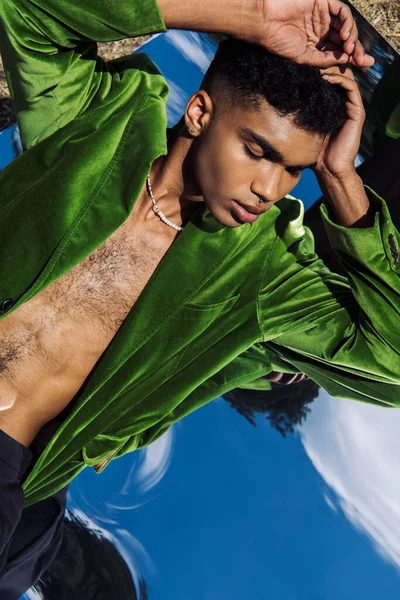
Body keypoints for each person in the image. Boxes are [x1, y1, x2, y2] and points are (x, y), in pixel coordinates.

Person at [0, 0, 399, 579]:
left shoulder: (263, 275)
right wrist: (249, 16)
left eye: (294, 170)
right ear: (199, 111)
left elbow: (392, 360)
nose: (268, 187)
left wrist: (342, 179)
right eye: (257, 151)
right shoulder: (100, 120)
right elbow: (32, 12)